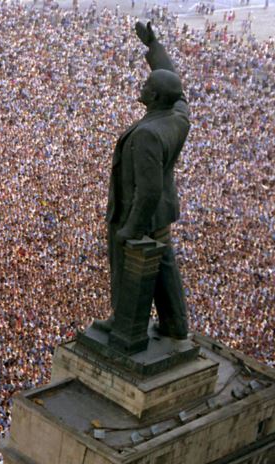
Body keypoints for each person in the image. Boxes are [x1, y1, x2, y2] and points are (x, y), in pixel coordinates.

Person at [94, 21, 191, 340]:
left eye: (148, 83)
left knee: (127, 268)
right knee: (164, 266)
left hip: (140, 214)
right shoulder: (176, 116)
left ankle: (123, 325)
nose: (143, 85)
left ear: (155, 96)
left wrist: (130, 228)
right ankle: (175, 323)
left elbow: (148, 189)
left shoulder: (149, 134)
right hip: (161, 213)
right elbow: (177, 87)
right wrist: (154, 46)